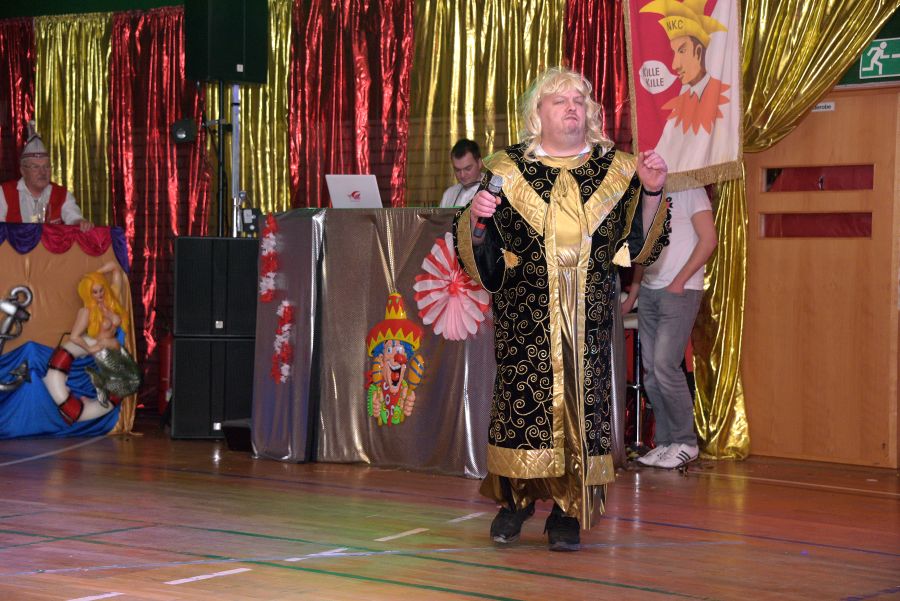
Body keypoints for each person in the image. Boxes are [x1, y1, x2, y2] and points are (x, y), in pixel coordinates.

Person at [453, 67, 670, 551]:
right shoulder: (507, 169)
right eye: (559, 100)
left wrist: (653, 191)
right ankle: (515, 503)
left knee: (580, 414)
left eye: (579, 99)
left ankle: (567, 513)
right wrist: (478, 222)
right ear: (538, 112)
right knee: (522, 410)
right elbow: (479, 249)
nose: (572, 106)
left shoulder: (619, 171)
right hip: (524, 320)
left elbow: (640, 247)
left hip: (588, 323)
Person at [621, 187, 717, 469]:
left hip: (680, 290)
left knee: (665, 366)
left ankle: (686, 442)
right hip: (650, 290)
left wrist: (679, 281)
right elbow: (645, 250)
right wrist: (634, 294)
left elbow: (709, 240)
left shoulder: (691, 189)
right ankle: (665, 443)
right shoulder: (649, 192)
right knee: (651, 373)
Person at [43, 261, 140, 424]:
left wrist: (96, 274)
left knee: (133, 380)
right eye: (94, 292)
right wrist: (90, 348)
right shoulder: (87, 311)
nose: (99, 294)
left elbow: (115, 268)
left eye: (101, 289)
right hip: (103, 351)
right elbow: (74, 336)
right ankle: (90, 395)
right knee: (125, 382)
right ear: (88, 294)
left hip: (117, 350)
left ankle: (95, 393)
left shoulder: (112, 300)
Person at [0, 129, 93, 230]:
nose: (43, 172)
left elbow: (74, 218)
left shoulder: (61, 194)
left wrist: (80, 223)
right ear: (23, 171)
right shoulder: (5, 193)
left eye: (46, 166)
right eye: (36, 167)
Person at [439, 139, 484, 208]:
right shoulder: (449, 194)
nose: (462, 175)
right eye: (457, 170)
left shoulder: (493, 193)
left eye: (468, 168)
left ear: (479, 163)